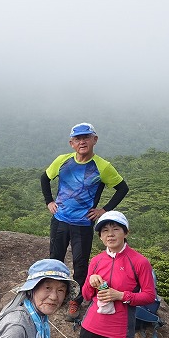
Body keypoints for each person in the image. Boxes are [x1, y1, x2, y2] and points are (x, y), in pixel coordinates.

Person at [41, 123, 130, 319]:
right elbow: (44, 178)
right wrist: (49, 201)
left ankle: (76, 300)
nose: (82, 142)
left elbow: (122, 188)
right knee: (55, 259)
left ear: (94, 140)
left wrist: (103, 210)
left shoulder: (102, 166)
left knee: (80, 264)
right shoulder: (63, 160)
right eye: (78, 139)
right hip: (60, 220)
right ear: (71, 143)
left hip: (82, 224)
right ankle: (52, 295)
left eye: (86, 137)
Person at [70, 211, 157, 338]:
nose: (110, 234)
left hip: (119, 329)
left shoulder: (139, 262)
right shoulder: (96, 260)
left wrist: (121, 296)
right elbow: (86, 295)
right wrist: (90, 281)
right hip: (92, 325)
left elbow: (149, 296)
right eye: (105, 231)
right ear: (100, 237)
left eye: (116, 229)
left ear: (126, 232)